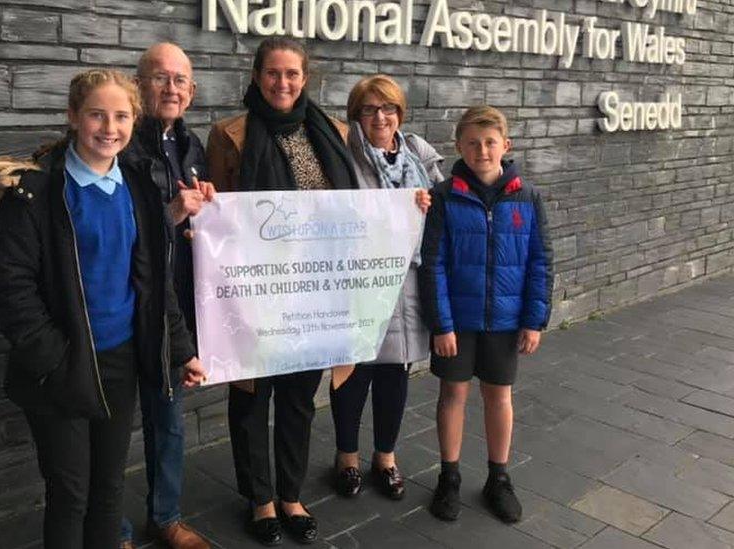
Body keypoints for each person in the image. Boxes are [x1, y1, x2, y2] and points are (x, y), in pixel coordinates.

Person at [0, 69, 206, 549]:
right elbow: (10, 288)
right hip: (63, 365)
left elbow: (152, 279)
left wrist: (180, 348)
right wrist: (54, 359)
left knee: (109, 489)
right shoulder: (36, 192)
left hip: (120, 361)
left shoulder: (136, 185)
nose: (110, 127)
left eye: (122, 116)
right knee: (71, 493)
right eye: (97, 115)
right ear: (72, 117)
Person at [206, 36, 358, 547]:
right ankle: (260, 498)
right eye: (273, 73)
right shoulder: (230, 137)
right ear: (256, 77)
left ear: (305, 78)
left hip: (313, 294)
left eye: (292, 74)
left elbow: (356, 215)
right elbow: (216, 221)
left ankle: (291, 494)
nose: (282, 83)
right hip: (253, 293)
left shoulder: (333, 132)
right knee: (252, 399)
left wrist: (412, 208)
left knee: (297, 398)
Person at [418, 105, 553, 524]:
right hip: (457, 324)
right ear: (458, 146)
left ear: (505, 146)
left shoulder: (527, 197)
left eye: (490, 142)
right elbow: (433, 262)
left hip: (507, 321)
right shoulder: (444, 196)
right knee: (452, 396)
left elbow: (540, 261)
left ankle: (498, 478)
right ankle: (450, 477)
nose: (481, 150)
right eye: (472, 143)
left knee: (499, 396)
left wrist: (534, 319)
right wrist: (441, 323)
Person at [118, 42, 213, 549]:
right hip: (120, 306)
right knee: (110, 432)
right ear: (139, 85)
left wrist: (208, 218)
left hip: (168, 310)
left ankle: (166, 517)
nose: (171, 88)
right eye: (160, 77)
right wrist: (173, 216)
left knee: (168, 422)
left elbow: (186, 228)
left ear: (192, 92)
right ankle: (113, 530)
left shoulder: (192, 148)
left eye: (179, 80)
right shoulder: (119, 142)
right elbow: (123, 228)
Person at [330, 74, 442, 501]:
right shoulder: (343, 154)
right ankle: (346, 457)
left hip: (405, 280)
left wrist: (428, 205)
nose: (380, 116)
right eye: (370, 109)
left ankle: (386, 457)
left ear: (400, 113)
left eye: (388, 108)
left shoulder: (416, 153)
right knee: (353, 371)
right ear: (356, 115)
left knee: (395, 370)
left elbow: (442, 204)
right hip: (358, 281)